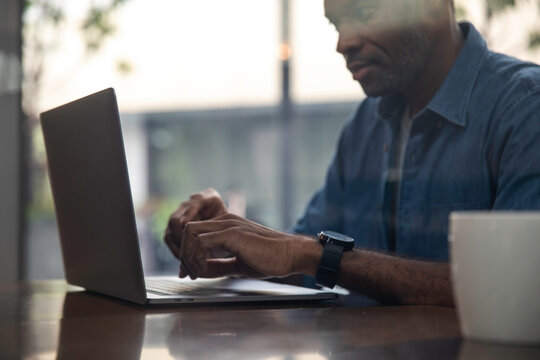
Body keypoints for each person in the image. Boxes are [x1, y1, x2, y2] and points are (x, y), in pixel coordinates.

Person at [164, 0, 540, 307]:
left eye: (362, 12)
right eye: (335, 23)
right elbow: (301, 253)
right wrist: (230, 233)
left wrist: (312, 255)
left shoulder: (525, 109)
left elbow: (522, 289)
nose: (343, 43)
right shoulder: (365, 124)